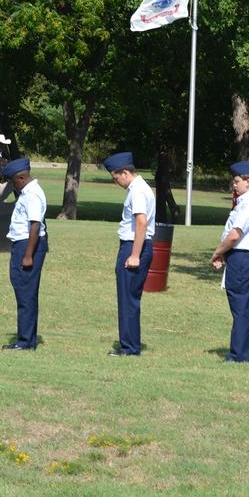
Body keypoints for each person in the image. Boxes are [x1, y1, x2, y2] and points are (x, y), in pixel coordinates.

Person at [210, 160, 249, 362]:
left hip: (246, 257)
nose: (234, 185)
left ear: (248, 181)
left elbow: (235, 234)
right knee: (244, 305)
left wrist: (218, 252)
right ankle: (243, 352)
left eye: (237, 181)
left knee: (241, 305)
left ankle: (239, 355)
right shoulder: (247, 200)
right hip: (244, 255)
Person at [104, 152, 155, 356]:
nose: (116, 182)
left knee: (128, 299)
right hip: (137, 245)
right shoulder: (140, 188)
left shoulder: (137, 191)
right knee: (129, 298)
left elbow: (141, 222)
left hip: (135, 246)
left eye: (116, 177)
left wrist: (134, 255)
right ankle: (130, 344)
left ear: (125, 173)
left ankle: (129, 347)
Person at [1, 158, 48, 351]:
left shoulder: (32, 195)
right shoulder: (27, 193)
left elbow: (35, 225)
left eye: (13, 181)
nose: (13, 185)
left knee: (26, 292)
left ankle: (25, 341)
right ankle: (26, 338)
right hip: (23, 244)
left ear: (21, 177)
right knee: (23, 291)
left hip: (28, 245)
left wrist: (28, 255)